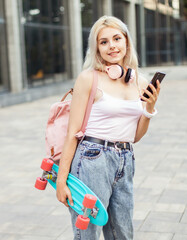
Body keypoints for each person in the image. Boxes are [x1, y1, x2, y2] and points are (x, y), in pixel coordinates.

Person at [56, 16, 161, 239]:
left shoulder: (140, 82)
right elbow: (72, 134)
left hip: (125, 158)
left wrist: (149, 109)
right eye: (104, 42)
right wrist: (61, 181)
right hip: (92, 159)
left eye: (116, 38)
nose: (112, 45)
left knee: (122, 232)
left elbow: (136, 136)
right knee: (88, 233)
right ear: (97, 49)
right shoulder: (88, 79)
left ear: (126, 43)